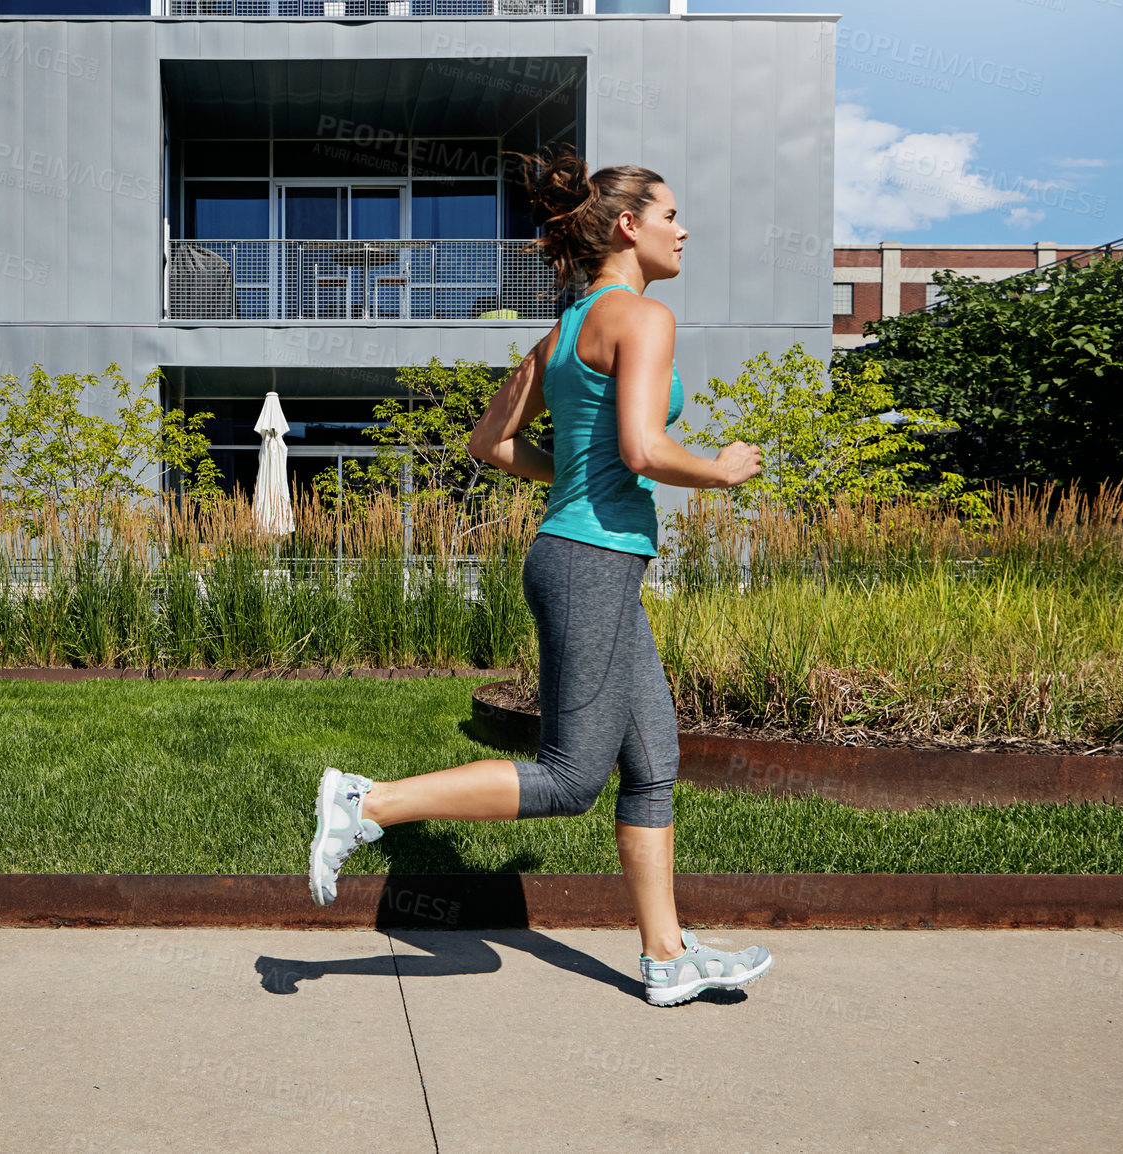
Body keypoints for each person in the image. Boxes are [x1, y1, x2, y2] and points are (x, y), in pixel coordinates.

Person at [307, 146, 775, 1008]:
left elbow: (488, 445)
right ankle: (367, 804)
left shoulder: (560, 332)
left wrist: (570, 473)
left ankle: (667, 957)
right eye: (671, 214)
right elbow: (643, 449)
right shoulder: (643, 317)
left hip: (583, 554)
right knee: (570, 777)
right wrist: (719, 468)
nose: (684, 229)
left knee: (655, 763)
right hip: (590, 557)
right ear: (630, 227)